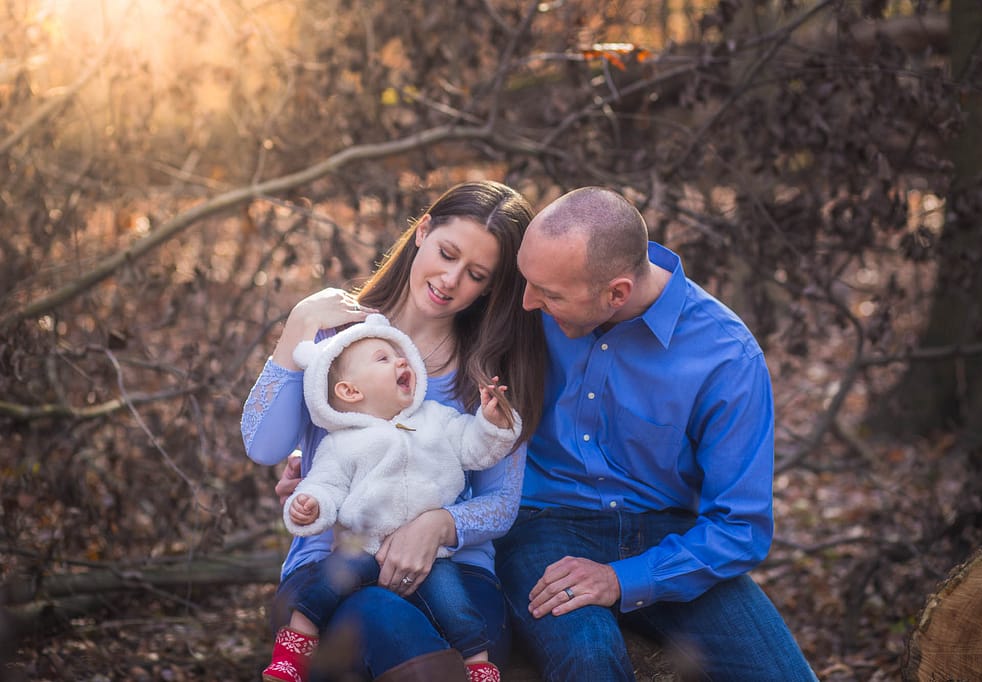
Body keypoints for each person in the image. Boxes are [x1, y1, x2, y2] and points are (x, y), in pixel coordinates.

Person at [493, 186, 817, 681]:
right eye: (528, 281)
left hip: (670, 537)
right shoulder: (535, 301)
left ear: (616, 293)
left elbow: (741, 527)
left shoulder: (726, 358)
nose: (528, 301)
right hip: (545, 525)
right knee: (590, 656)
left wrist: (624, 579)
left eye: (551, 294)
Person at [242, 180, 545, 682]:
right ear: (422, 231)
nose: (449, 280)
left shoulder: (489, 373)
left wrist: (434, 526)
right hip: (332, 569)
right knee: (381, 621)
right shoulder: (336, 338)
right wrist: (299, 324)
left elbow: (500, 502)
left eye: (474, 274)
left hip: (456, 574)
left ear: (490, 286)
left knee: (453, 643)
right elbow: (264, 444)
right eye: (446, 253)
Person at [263, 313, 523, 682]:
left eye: (401, 356)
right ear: (350, 391)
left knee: (455, 605)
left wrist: (493, 423)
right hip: (363, 545)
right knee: (326, 586)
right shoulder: (342, 443)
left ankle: (478, 664)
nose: (402, 360)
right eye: (383, 359)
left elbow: (475, 448)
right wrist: (311, 505)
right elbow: (326, 485)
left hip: (432, 556)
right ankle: (293, 650)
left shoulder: (436, 418)